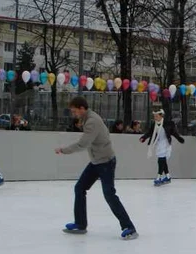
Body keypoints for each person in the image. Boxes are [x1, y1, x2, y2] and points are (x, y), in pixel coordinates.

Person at [55, 96, 138, 240]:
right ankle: (80, 223)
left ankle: (129, 227)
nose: (74, 114)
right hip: (96, 162)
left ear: (82, 108)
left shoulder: (92, 121)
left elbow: (83, 144)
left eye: (75, 111)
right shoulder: (87, 118)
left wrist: (64, 150)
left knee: (109, 194)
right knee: (80, 188)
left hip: (105, 162)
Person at [140, 110, 185, 186]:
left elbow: (174, 132)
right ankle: (167, 176)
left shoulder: (168, 123)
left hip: (166, 144)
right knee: (162, 160)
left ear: (161, 116)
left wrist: (179, 138)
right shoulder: (154, 124)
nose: (155, 117)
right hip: (158, 144)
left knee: (161, 160)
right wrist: (143, 138)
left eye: (156, 116)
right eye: (154, 116)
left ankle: (159, 176)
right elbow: (150, 132)